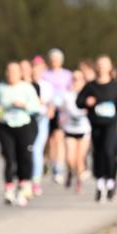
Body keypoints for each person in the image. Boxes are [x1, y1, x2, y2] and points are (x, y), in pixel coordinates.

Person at [77, 55, 117, 202]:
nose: (102, 67)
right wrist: (87, 101)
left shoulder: (115, 85)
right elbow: (78, 102)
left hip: (111, 125)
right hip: (96, 124)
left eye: (105, 64)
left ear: (110, 67)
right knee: (98, 153)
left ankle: (110, 182)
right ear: (96, 67)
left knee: (109, 151)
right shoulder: (90, 86)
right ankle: (99, 183)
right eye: (99, 64)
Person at [0, 61, 41, 206]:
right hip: (6, 126)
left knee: (24, 157)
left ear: (20, 73)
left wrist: (23, 105)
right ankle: (9, 188)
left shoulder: (27, 88)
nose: (11, 74)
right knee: (9, 158)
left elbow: (36, 107)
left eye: (14, 72)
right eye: (9, 71)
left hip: (24, 125)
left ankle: (23, 185)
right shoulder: (0, 88)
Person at [42, 49, 73, 185]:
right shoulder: (44, 74)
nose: (54, 62)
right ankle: (49, 161)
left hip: (62, 110)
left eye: (57, 60)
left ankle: (58, 167)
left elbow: (71, 91)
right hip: (48, 109)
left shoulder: (67, 75)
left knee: (59, 137)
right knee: (50, 140)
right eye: (52, 59)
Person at [60, 70, 91, 193]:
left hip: (84, 130)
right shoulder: (67, 95)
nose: (76, 82)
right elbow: (61, 110)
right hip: (69, 129)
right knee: (70, 158)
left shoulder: (88, 95)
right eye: (74, 79)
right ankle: (70, 171)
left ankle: (78, 182)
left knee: (79, 158)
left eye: (79, 79)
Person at [30, 61, 55, 197]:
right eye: (33, 69)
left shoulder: (46, 85)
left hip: (42, 119)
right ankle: (26, 178)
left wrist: (50, 109)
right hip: (28, 119)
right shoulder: (26, 85)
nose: (35, 72)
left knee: (37, 149)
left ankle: (36, 181)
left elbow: (50, 103)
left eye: (38, 70)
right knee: (28, 150)